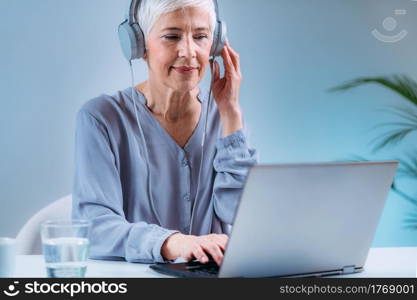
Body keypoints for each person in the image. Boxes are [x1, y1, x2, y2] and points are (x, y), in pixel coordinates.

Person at [72, 0, 257, 266]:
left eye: (201, 37)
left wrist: (231, 114)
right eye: (172, 36)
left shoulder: (225, 118)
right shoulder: (101, 118)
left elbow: (242, 220)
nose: (189, 52)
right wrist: (173, 243)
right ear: (139, 46)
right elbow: (94, 228)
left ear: (215, 44)